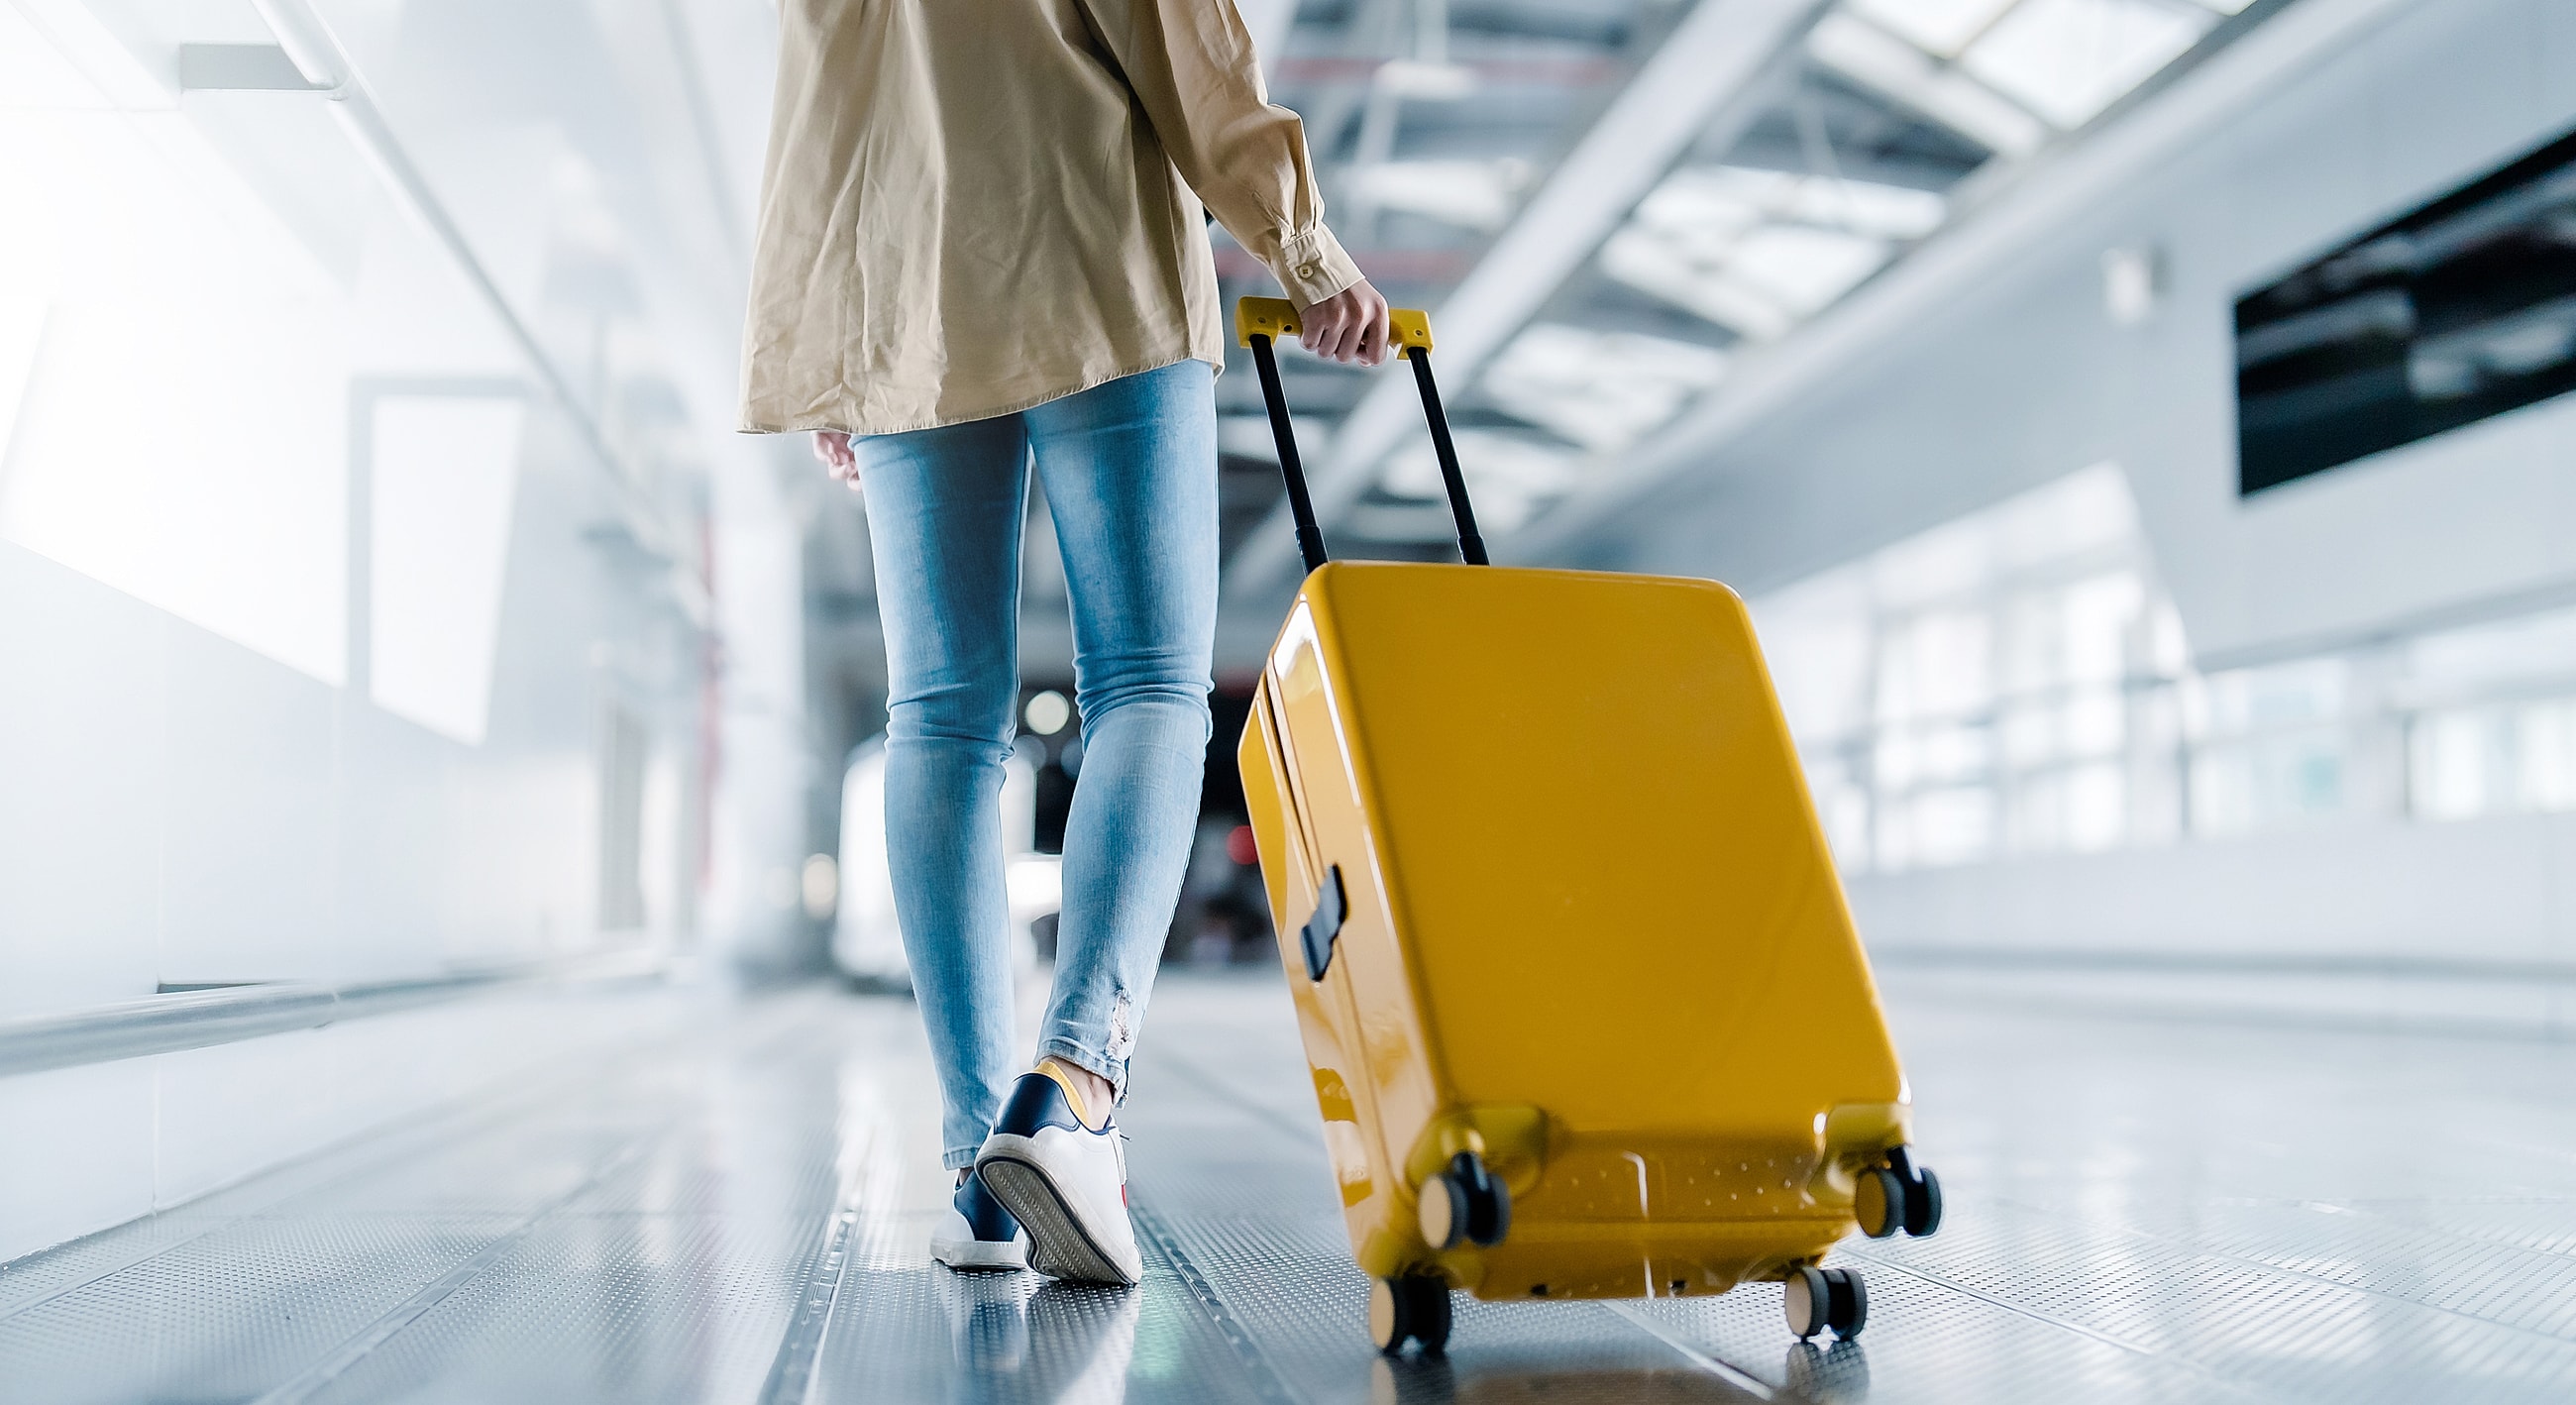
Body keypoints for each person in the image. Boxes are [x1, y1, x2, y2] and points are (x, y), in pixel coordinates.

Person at [739, 0, 1388, 1285]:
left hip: (902, 288)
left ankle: (983, 1166)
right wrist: (1306, 251)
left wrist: (827, 346)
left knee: (939, 715)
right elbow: (1191, 50)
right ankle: (1077, 1083)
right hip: (1101, 264)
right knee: (1149, 682)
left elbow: (824, 93)